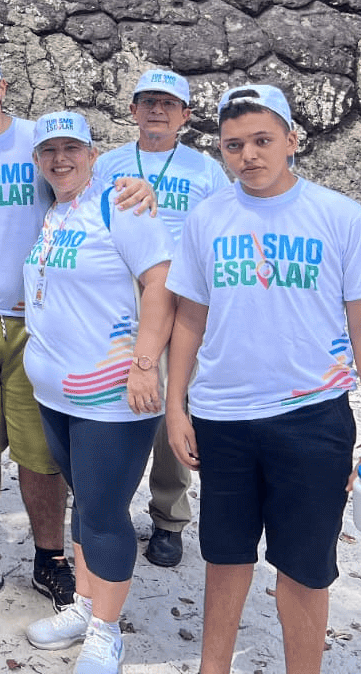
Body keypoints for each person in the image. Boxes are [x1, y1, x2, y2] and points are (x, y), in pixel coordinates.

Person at [0, 46, 154, 616]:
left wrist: (142, 188)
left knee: (41, 452)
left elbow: (94, 182)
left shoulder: (38, 144)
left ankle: (50, 557)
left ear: (3, 85)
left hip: (40, 322)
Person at [165, 85, 361, 674]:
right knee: (224, 558)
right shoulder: (206, 217)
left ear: (292, 141)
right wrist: (175, 407)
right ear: (221, 152)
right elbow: (189, 319)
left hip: (312, 416)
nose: (249, 155)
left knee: (304, 564)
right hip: (221, 417)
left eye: (263, 140)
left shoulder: (340, 216)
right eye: (234, 145)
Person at [18, 112, 175, 674]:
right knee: (83, 501)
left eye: (71, 148)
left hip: (113, 395)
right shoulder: (55, 212)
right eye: (48, 150)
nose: (60, 158)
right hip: (56, 393)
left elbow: (161, 281)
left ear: (92, 153)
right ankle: (85, 605)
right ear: (37, 159)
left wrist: (144, 363)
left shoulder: (121, 204)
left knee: (105, 512)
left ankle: (108, 632)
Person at [94, 68, 228, 568]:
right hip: (113, 295)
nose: (157, 110)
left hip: (178, 295)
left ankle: (169, 517)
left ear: (185, 116)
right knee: (107, 400)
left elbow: (218, 234)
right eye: (147, 101)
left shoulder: (206, 170)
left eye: (168, 104)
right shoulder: (105, 164)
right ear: (131, 110)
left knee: (171, 402)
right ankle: (106, 508)